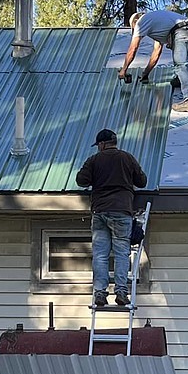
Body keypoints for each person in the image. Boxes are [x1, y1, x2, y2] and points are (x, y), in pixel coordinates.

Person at [75, 129, 148, 307]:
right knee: (122, 253)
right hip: (122, 211)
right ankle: (121, 292)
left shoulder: (94, 160)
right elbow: (142, 181)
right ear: (114, 142)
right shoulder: (127, 158)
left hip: (100, 212)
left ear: (101, 144)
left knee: (100, 255)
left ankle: (100, 293)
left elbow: (81, 180)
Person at [118, 9, 188, 113]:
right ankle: (179, 80)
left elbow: (133, 48)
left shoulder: (140, 22)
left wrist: (123, 70)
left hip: (181, 31)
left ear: (135, 23)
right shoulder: (155, 23)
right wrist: (145, 74)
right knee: (180, 62)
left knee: (180, 65)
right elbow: (156, 53)